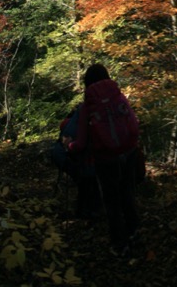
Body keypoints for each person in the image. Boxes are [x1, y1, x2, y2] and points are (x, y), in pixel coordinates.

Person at [68, 64, 140, 257]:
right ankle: (134, 231)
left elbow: (81, 142)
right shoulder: (118, 96)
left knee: (111, 201)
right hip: (129, 151)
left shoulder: (88, 106)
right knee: (127, 192)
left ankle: (119, 244)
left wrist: (71, 147)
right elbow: (133, 122)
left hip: (106, 159)